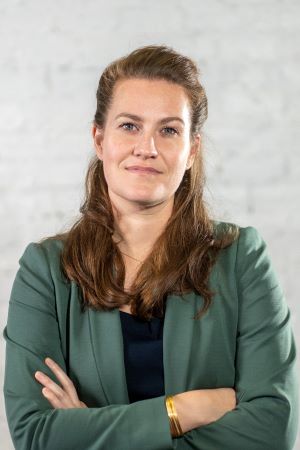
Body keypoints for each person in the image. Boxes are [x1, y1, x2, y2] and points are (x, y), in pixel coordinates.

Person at [3, 44, 298, 450]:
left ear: (191, 150)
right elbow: (36, 436)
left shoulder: (241, 258)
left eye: (169, 130)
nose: (148, 147)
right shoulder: (47, 272)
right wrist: (183, 410)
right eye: (129, 126)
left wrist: (90, 431)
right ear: (99, 137)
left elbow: (273, 431)